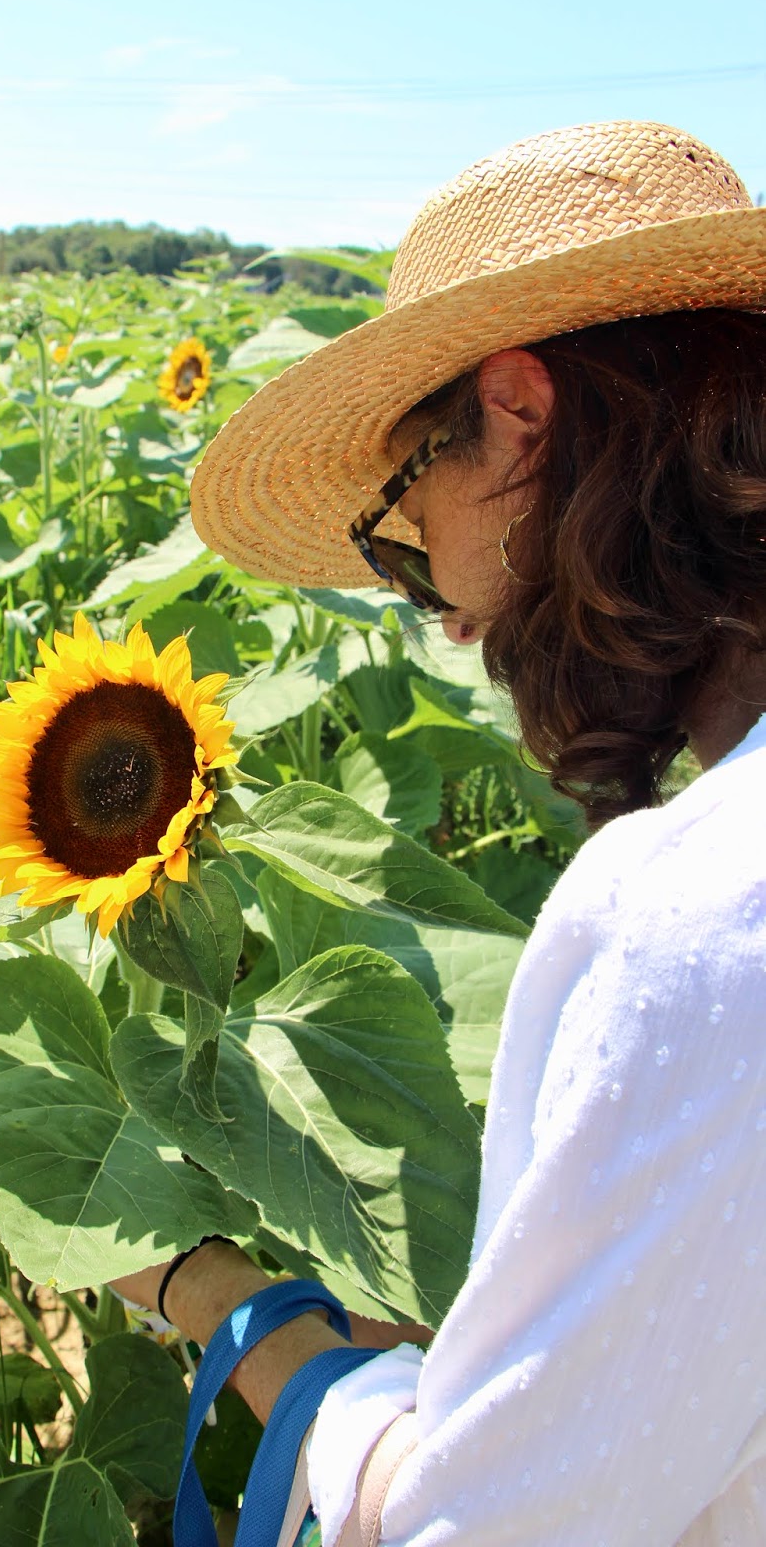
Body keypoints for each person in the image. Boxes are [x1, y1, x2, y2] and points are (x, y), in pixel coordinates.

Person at [114, 120, 766, 1545]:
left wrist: (225, 1303)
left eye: (399, 536)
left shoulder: (704, 919)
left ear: (518, 418)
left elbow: (473, 1529)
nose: (450, 619)